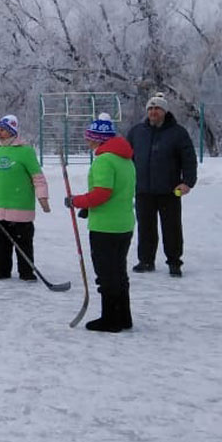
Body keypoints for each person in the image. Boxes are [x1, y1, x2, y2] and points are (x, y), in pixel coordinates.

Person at [65, 114, 136, 332]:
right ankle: (123, 316)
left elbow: (103, 193)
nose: (87, 142)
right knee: (118, 272)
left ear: (99, 139)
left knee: (107, 274)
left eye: (90, 138)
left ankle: (111, 319)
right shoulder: (125, 159)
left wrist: (77, 201)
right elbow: (115, 192)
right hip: (123, 223)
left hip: (106, 227)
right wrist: (88, 207)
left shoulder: (105, 160)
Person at [126, 93, 198, 277]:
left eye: (157, 108)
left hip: (170, 190)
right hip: (143, 190)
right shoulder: (137, 132)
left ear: (165, 111)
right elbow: (127, 158)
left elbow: (188, 159)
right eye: (150, 108)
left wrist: (187, 182)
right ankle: (146, 260)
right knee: (145, 227)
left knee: (172, 228)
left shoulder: (177, 133)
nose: (153, 112)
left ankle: (174, 262)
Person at [0, 114, 50, 281]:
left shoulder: (26, 152)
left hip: (21, 207)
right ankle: (1, 269)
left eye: (3, 130)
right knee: (0, 242)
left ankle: (26, 271)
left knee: (23, 242)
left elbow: (37, 178)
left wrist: (43, 198)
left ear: (12, 130)